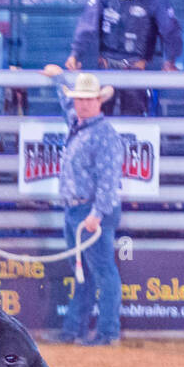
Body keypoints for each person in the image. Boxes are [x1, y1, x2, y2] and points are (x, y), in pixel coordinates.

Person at [42, 65, 126, 345]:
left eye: (88, 99)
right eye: (79, 99)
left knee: (101, 272)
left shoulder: (104, 134)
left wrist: (97, 214)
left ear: (99, 101)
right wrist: (58, 78)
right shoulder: (79, 123)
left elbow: (109, 179)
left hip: (90, 210)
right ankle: (74, 330)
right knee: (84, 272)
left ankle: (107, 332)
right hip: (76, 209)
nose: (82, 104)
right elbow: (67, 102)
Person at [67, 0, 182, 116]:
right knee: (100, 117)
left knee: (134, 123)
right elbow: (87, 24)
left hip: (136, 71)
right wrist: (76, 54)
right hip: (106, 68)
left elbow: (170, 31)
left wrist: (170, 61)